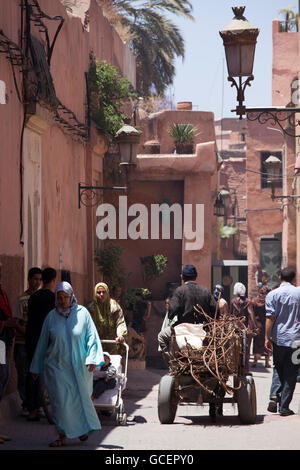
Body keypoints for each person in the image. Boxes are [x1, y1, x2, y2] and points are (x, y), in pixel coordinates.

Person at [30, 282, 104, 447]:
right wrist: (36, 367)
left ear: (72, 296)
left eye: (66, 297)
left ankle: (82, 429)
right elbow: (42, 343)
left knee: (79, 399)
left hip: (79, 367)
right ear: (56, 298)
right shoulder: (51, 317)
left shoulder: (83, 313)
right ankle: (62, 436)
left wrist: (92, 359)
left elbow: (92, 337)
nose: (63, 301)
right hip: (57, 367)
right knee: (60, 403)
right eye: (60, 297)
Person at [158, 265, 217, 364]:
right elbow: (216, 311)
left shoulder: (179, 291)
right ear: (196, 276)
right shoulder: (205, 291)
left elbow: (171, 313)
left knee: (161, 336)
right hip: (203, 329)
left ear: (182, 277)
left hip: (183, 329)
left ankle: (172, 362)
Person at [265, 268, 300, 416]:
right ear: (294, 278)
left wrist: (267, 338)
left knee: (278, 367)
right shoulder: (298, 293)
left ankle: (274, 395)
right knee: (291, 371)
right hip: (296, 341)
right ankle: (284, 406)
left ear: (279, 277)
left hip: (278, 339)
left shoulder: (272, 294)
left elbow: (270, 318)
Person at [25, 267, 56, 421]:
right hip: (48, 342)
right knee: (51, 375)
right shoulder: (55, 299)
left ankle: (32, 410)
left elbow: (30, 320)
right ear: (54, 280)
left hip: (32, 340)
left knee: (33, 374)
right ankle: (50, 408)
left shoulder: (33, 298)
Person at [12, 267, 42, 416]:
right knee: (23, 374)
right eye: (34, 279)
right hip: (22, 344)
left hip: (37, 345)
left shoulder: (42, 299)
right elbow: (15, 323)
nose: (37, 282)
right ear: (29, 280)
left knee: (36, 376)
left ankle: (36, 405)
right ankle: (26, 404)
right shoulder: (21, 300)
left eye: (39, 279)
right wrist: (28, 335)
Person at [87, 283, 127, 355]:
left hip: (112, 343)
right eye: (98, 292)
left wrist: (120, 335)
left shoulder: (115, 307)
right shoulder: (91, 308)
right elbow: (86, 325)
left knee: (114, 364)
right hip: (95, 343)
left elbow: (120, 322)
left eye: (104, 292)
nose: (101, 294)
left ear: (107, 293)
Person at [229, 282, 258, 373]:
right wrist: (253, 328)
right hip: (246, 328)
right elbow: (251, 315)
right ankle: (245, 369)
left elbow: (230, 315)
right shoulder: (248, 302)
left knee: (235, 348)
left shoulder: (233, 301)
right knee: (246, 349)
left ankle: (235, 368)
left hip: (235, 328)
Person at [252, 285, 271, 368]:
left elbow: (252, 313)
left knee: (256, 343)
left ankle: (255, 361)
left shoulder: (254, 301)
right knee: (267, 343)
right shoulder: (269, 301)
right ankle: (267, 363)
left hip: (257, 325)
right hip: (267, 325)